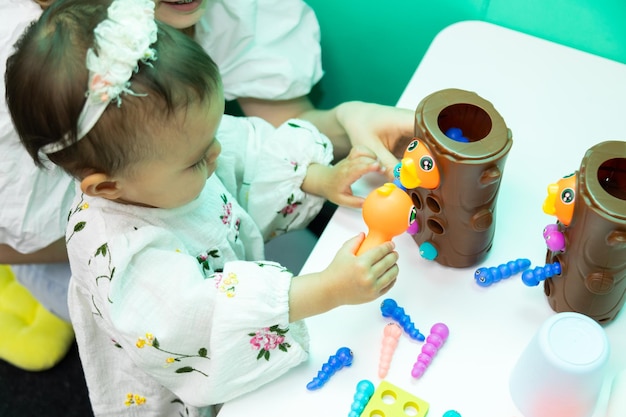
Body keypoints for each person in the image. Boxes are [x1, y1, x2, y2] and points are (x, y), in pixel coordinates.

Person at [5, 1, 400, 416]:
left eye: (211, 134)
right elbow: (201, 319)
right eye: (196, 160)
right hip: (183, 379)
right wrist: (329, 289)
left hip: (232, 296)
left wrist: (320, 176)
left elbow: (244, 147)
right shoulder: (125, 259)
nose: (215, 153)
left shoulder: (168, 155)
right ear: (106, 186)